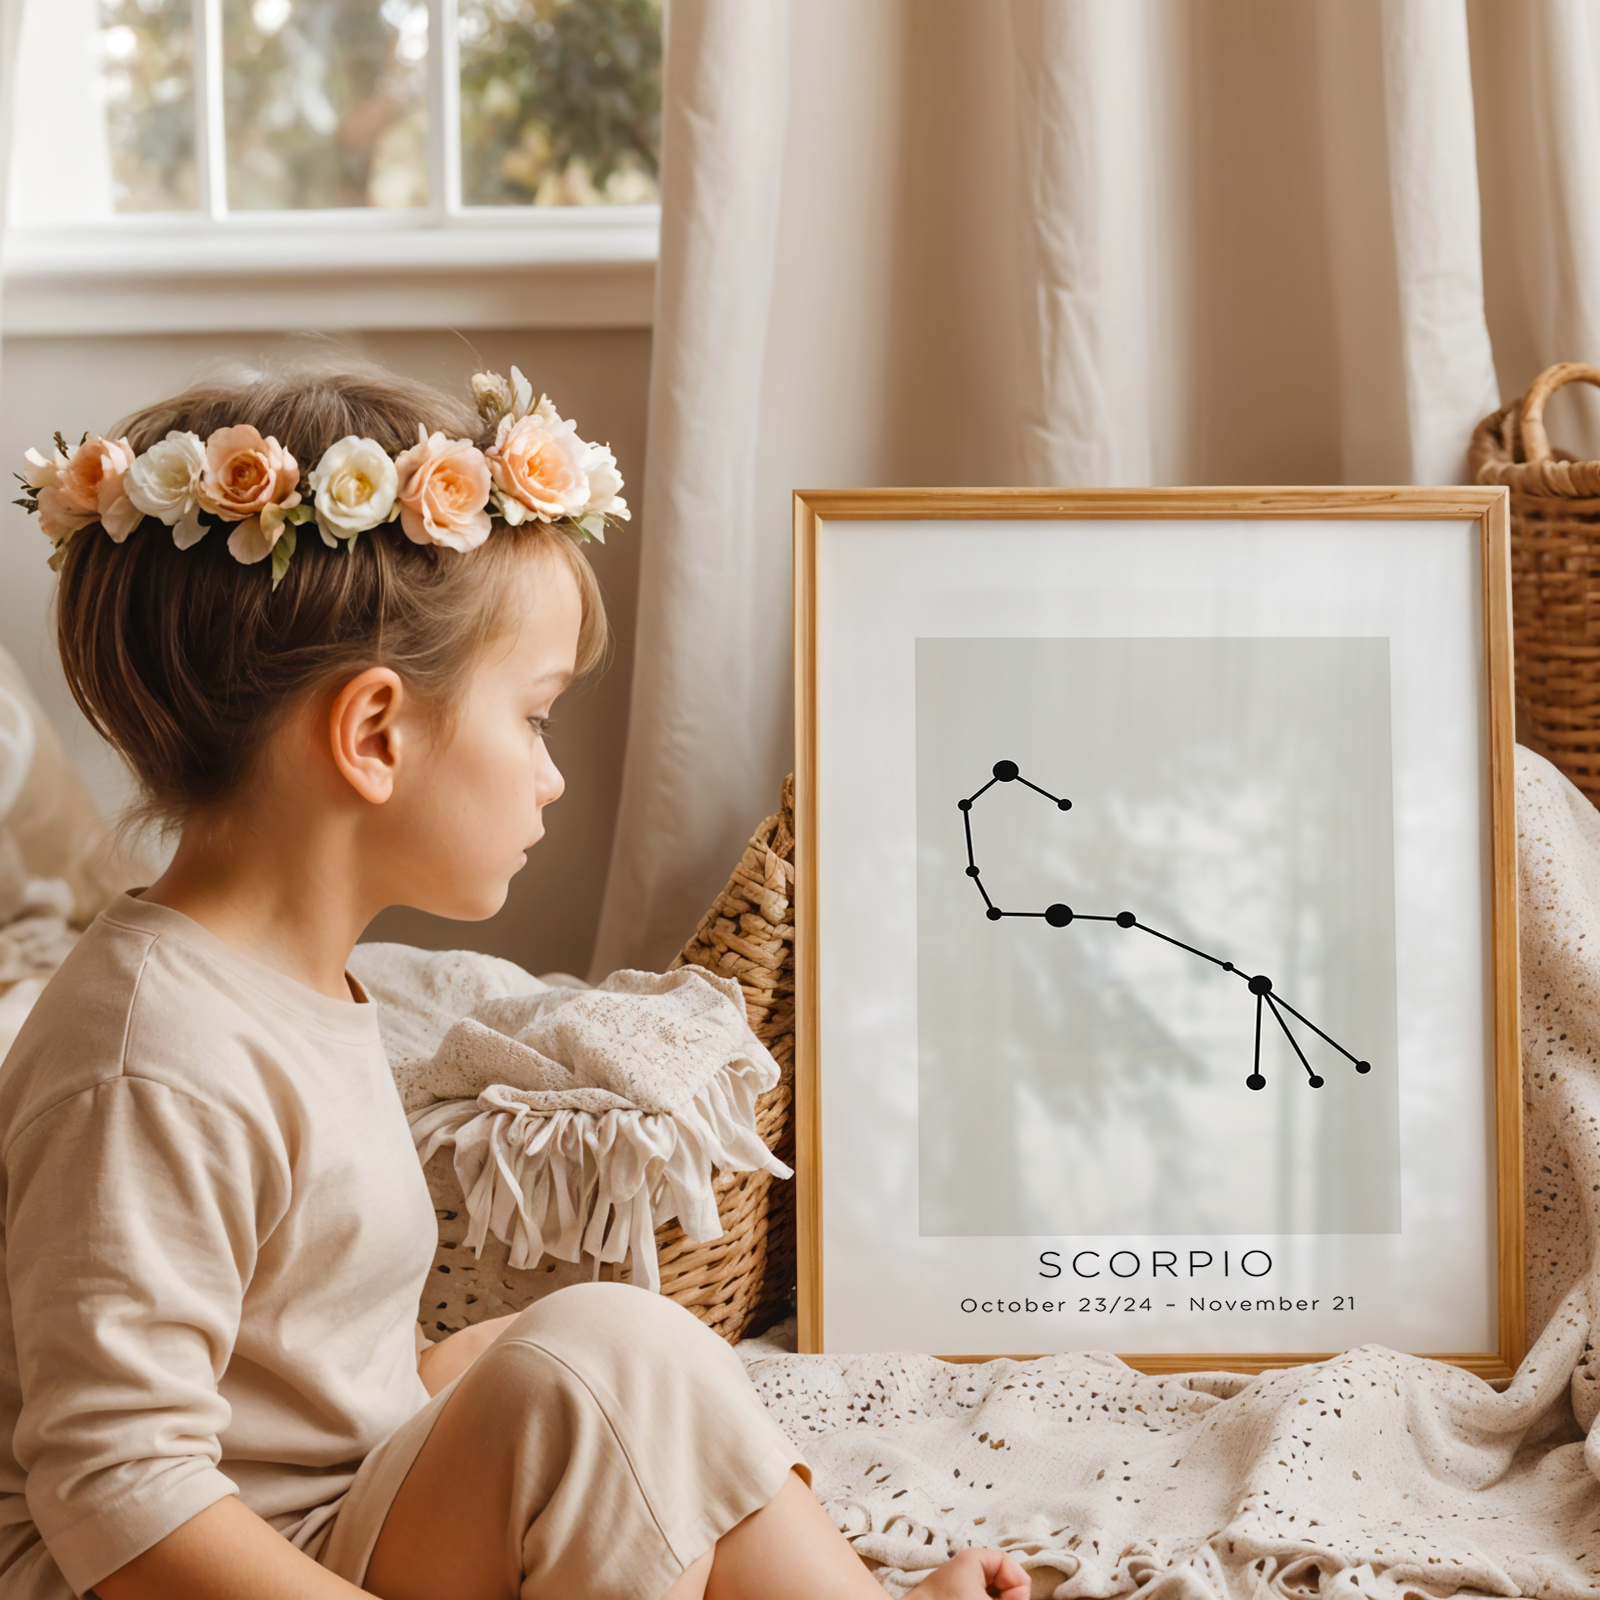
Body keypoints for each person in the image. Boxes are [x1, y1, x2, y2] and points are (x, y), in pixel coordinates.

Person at [0, 361, 1029, 1600]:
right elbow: (120, 1489)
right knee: (596, 1359)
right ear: (374, 734)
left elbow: (307, 1377)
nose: (548, 775)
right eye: (533, 718)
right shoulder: (148, 1058)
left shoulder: (293, 985)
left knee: (591, 1344)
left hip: (320, 1514)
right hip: (187, 1571)